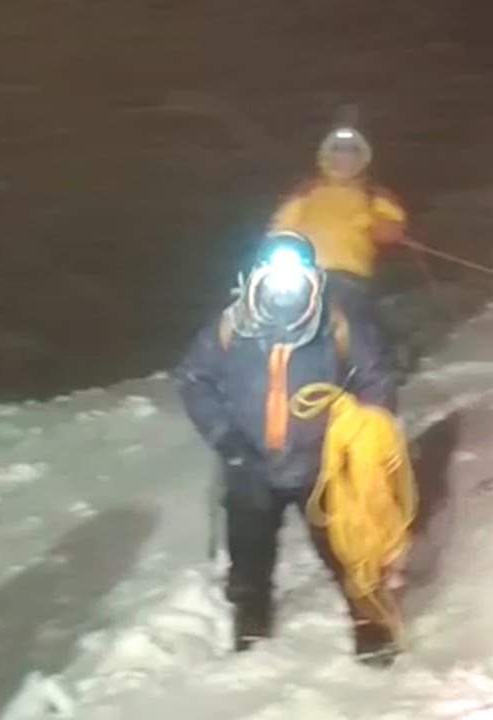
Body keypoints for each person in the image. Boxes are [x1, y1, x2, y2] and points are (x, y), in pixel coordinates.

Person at [175, 230, 402, 666]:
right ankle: (251, 613)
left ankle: (369, 618)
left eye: (295, 282)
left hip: (321, 462)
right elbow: (193, 379)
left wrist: (360, 434)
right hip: (249, 462)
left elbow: (376, 379)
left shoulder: (337, 327)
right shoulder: (229, 328)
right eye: (275, 281)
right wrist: (225, 437)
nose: (285, 292)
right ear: (256, 280)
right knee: (249, 548)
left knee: (346, 545)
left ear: (313, 282)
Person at [268, 126, 409, 322]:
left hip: (350, 275)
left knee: (353, 328)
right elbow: (279, 228)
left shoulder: (372, 194)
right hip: (302, 274)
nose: (344, 156)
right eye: (339, 150)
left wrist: (370, 221)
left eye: (351, 151)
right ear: (328, 156)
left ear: (360, 159)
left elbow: (395, 229)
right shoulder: (307, 190)